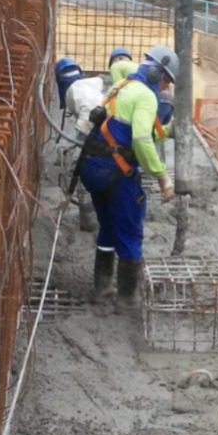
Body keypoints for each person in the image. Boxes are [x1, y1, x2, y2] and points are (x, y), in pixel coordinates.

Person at [76, 45, 178, 311]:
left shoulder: (122, 85)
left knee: (108, 226)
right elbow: (141, 141)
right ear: (156, 73)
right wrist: (162, 176)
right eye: (166, 79)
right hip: (115, 172)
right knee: (131, 230)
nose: (166, 87)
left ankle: (102, 288)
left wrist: (165, 131)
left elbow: (128, 132)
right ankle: (127, 298)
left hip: (93, 167)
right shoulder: (145, 96)